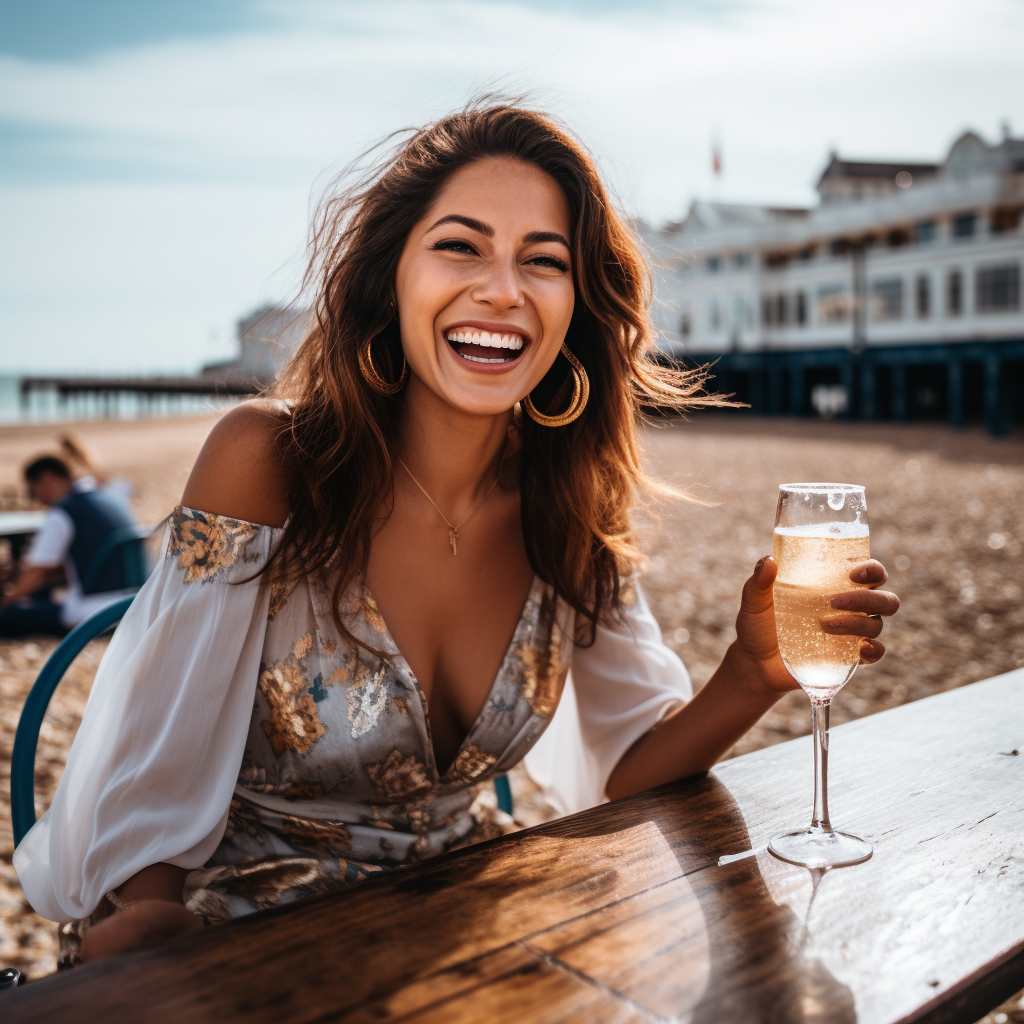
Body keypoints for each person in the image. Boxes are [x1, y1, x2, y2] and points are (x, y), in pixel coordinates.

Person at [14, 104, 899, 965]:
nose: (503, 291)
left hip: (478, 928)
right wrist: (150, 910)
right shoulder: (266, 460)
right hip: (250, 936)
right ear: (391, 275)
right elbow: (154, 752)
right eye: (459, 246)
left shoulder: (571, 505)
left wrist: (749, 676)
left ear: (575, 304)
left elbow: (626, 771)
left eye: (542, 261)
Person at [0, 455, 139, 638]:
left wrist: (6, 602)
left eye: (32, 491)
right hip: (134, 600)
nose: (37, 499)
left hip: (95, 611)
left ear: (46, 479)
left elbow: (36, 573)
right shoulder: (108, 496)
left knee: (10, 616)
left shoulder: (63, 512)